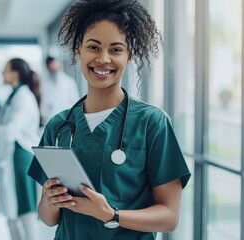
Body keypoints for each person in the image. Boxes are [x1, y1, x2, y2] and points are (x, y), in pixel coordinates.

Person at [27, 0, 191, 239]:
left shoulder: (152, 123)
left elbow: (169, 217)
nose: (103, 59)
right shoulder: (59, 126)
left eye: (115, 50)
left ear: (128, 56)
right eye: (93, 47)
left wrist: (111, 214)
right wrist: (50, 201)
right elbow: (48, 218)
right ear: (78, 49)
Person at [0, 58, 41, 240]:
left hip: (20, 157)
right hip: (12, 156)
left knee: (26, 211)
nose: (2, 74)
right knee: (12, 211)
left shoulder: (24, 98)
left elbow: (10, 131)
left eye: (5, 70)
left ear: (15, 74)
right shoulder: (13, 96)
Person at [41, 56, 79, 125]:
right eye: (50, 66)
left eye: (54, 65)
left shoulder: (69, 82)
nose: (53, 68)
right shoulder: (44, 83)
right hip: (49, 120)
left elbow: (75, 103)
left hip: (66, 120)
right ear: (47, 67)